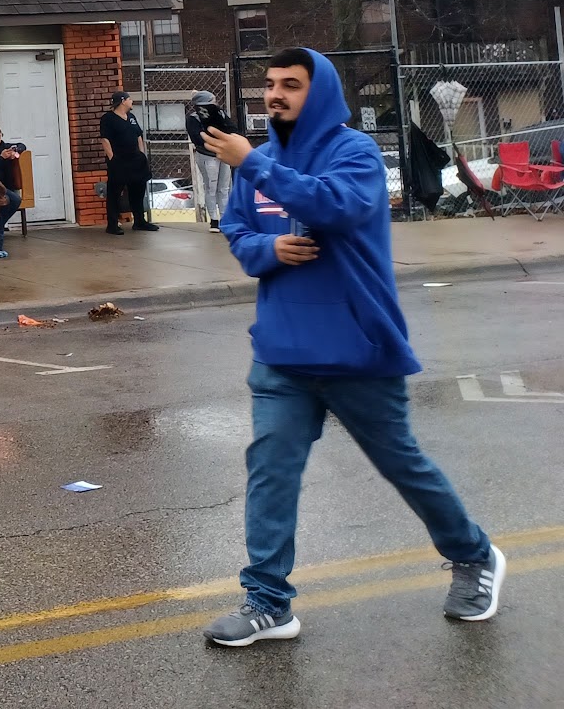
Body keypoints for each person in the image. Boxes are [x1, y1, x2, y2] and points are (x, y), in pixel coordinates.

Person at [200, 47, 503, 647]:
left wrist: (254, 166)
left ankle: (474, 556)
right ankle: (268, 601)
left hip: (356, 349)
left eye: (291, 84)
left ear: (321, 92)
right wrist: (268, 252)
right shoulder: (259, 160)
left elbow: (335, 207)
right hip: (282, 352)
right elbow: (237, 230)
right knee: (271, 472)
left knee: (402, 464)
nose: (275, 94)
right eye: (269, 84)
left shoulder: (354, 153)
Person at [99, 91, 155, 234]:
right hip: (119, 160)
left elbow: (138, 135)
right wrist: (112, 157)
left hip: (136, 160)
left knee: (138, 190)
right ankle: (112, 225)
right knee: (115, 192)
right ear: (123, 101)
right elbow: (105, 139)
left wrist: (141, 153)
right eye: (130, 99)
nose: (132, 101)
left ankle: (140, 221)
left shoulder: (131, 117)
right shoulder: (108, 119)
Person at [186, 91, 235, 230]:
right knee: (211, 187)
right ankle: (214, 219)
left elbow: (230, 128)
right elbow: (197, 138)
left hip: (223, 154)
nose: (215, 103)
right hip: (207, 155)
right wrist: (216, 139)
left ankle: (225, 219)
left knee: (224, 188)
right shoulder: (194, 118)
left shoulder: (219, 113)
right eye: (212, 100)